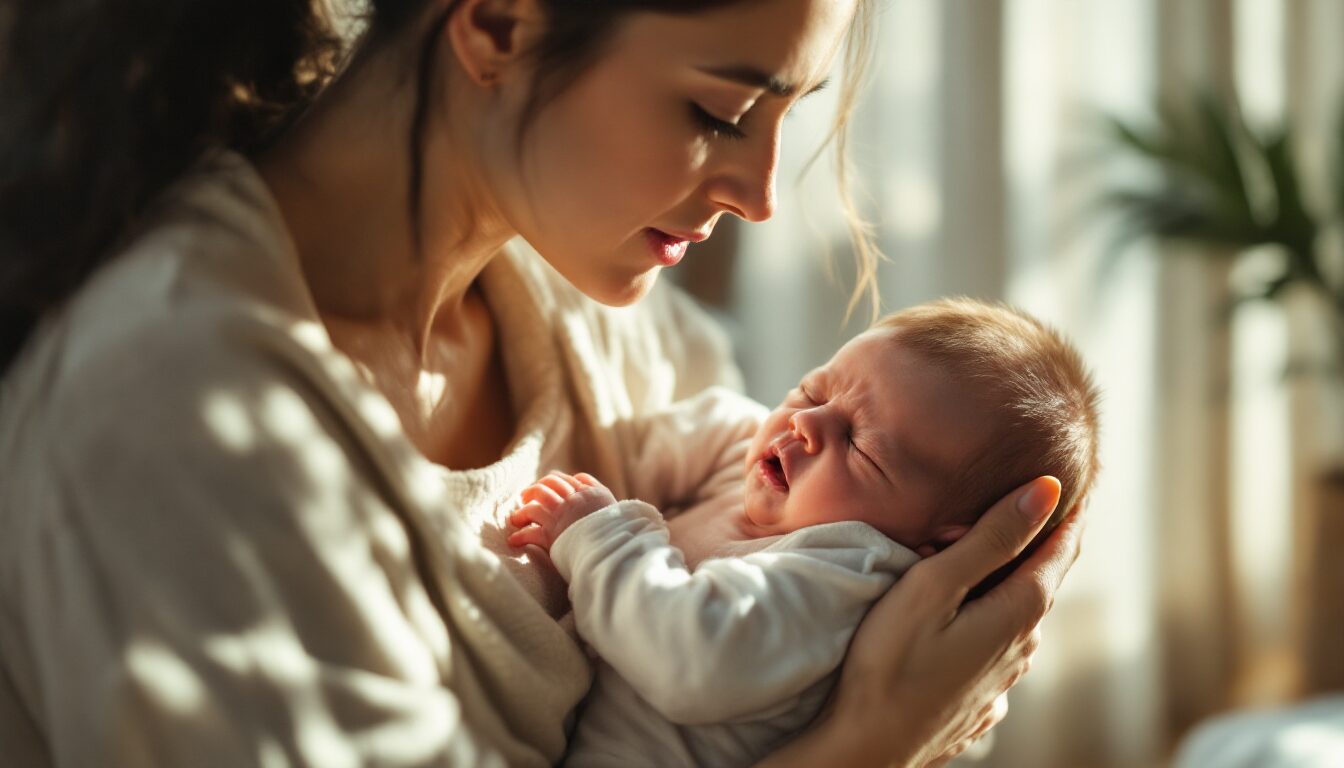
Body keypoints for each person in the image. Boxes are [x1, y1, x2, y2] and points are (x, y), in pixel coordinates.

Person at [0, 1, 1086, 766]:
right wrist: (863, 750)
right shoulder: (178, 415)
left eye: (786, 116)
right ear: (501, 26)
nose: (760, 193)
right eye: (718, 113)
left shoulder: (576, 305)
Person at [508, 298, 1101, 767]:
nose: (806, 423)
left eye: (863, 446)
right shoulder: (768, 457)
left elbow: (691, 660)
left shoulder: (846, 573)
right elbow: (642, 446)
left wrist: (601, 536)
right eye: (815, 389)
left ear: (942, 544)